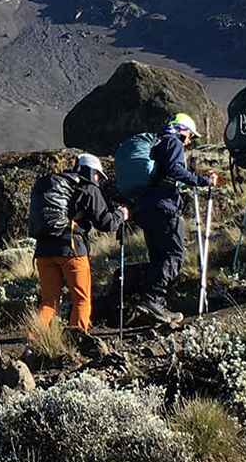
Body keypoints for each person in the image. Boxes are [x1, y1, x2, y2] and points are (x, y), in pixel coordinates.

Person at [131, 114, 220, 320]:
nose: (190, 141)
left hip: (146, 207)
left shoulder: (158, 143)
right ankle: (153, 299)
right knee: (174, 255)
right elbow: (174, 169)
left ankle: (153, 304)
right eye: (190, 136)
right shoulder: (173, 142)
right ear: (183, 130)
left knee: (159, 257)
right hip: (164, 207)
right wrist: (201, 181)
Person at [33, 153, 128, 331]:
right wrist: (121, 215)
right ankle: (77, 341)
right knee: (81, 300)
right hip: (71, 250)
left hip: (43, 250)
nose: (98, 180)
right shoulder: (88, 187)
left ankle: (32, 342)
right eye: (99, 175)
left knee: (49, 302)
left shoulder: (59, 185)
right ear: (92, 172)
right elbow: (106, 223)